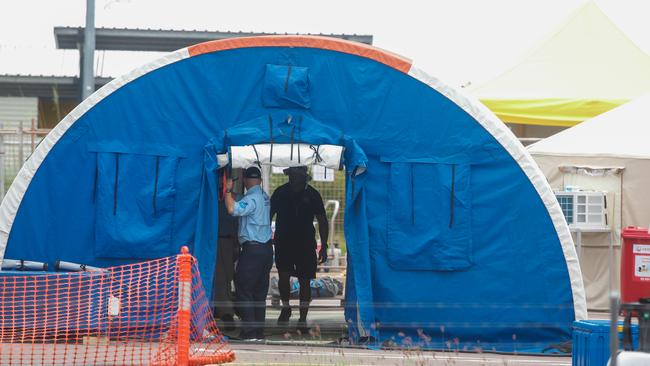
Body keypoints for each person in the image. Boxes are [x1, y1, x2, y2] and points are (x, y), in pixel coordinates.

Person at [271, 166, 329, 332]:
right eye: (292, 175)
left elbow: (323, 220)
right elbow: (268, 215)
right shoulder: (280, 192)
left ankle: (303, 318)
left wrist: (323, 246)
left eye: (298, 175)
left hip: (305, 243)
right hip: (283, 241)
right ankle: (286, 306)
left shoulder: (312, 194)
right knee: (283, 276)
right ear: (289, 176)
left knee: (305, 281)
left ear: (305, 177)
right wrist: (266, 238)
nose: (294, 178)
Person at [225, 166, 273, 340]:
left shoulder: (251, 199)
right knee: (259, 293)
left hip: (253, 250)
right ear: (260, 181)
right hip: (266, 250)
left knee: (244, 288)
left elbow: (232, 209)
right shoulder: (264, 197)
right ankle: (258, 332)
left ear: (244, 180)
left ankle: (249, 332)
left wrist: (227, 191)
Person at [212, 194, 239, 331]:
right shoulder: (232, 200)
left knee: (224, 278)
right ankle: (225, 312)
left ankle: (225, 312)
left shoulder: (216, 200)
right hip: (225, 241)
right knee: (224, 279)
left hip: (224, 240)